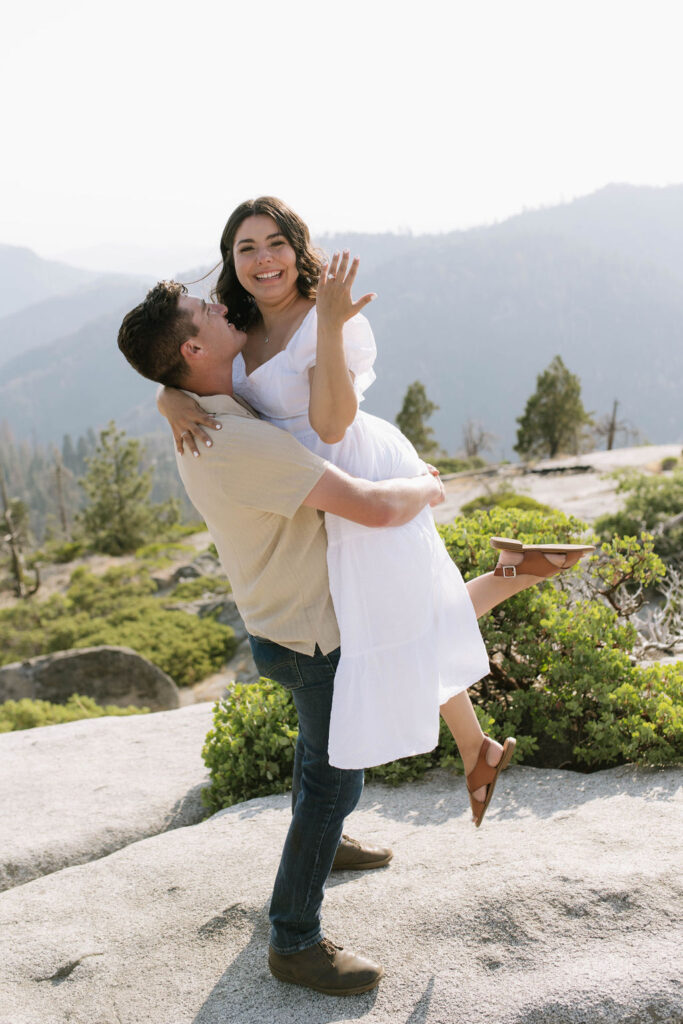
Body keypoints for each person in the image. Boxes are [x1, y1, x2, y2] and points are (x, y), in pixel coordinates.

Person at [158, 196, 593, 822]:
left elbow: (331, 426)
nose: (262, 259)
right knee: (394, 618)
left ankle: (512, 593)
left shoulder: (327, 317)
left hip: (352, 469)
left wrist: (330, 326)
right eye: (246, 247)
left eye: (275, 243)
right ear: (230, 259)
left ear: (297, 247)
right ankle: (480, 738)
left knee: (383, 623)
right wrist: (167, 399)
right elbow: (179, 354)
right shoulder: (235, 323)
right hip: (303, 484)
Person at [118, 279, 446, 996]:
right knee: (336, 778)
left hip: (282, 623)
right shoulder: (231, 438)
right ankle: (293, 940)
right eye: (205, 311)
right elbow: (363, 507)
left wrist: (163, 393)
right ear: (193, 349)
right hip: (308, 634)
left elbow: (177, 380)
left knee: (313, 751)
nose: (222, 305)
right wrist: (424, 486)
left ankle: (324, 849)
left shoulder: (207, 408)